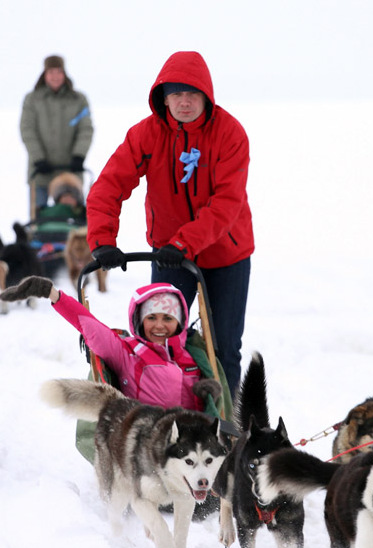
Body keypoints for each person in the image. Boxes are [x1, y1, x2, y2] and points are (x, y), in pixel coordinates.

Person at [85, 51, 253, 398]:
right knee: (157, 341)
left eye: (192, 94)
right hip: (168, 255)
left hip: (226, 255)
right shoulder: (146, 135)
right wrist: (102, 239)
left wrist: (184, 243)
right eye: (175, 94)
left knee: (222, 348)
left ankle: (225, 427)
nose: (184, 102)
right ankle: (165, 417)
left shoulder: (230, 133)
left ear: (206, 95)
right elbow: (109, 185)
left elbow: (227, 202)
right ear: (163, 98)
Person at [0, 275, 223, 414]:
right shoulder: (128, 352)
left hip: (189, 446)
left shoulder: (191, 357)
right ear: (139, 320)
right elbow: (90, 326)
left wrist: (204, 396)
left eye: (168, 318)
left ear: (179, 322)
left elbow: (199, 412)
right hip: (146, 439)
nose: (159, 326)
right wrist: (52, 293)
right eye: (151, 318)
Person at [20, 55, 93, 210]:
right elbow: (27, 130)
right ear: (45, 75)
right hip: (40, 172)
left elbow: (85, 129)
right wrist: (39, 159)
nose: (55, 76)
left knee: (73, 216)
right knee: (39, 219)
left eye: (59, 72)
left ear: (64, 74)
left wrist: (78, 156)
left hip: (70, 173)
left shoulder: (78, 100)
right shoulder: (33, 100)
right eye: (51, 72)